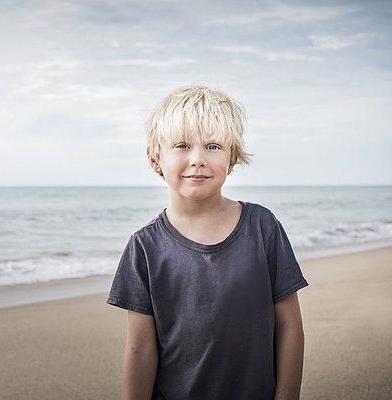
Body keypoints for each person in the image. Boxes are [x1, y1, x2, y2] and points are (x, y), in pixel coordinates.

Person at [107, 85, 308, 400]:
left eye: (213, 146)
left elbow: (289, 326)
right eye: (183, 145)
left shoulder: (262, 227)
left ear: (231, 161)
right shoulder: (145, 247)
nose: (198, 159)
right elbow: (140, 348)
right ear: (155, 158)